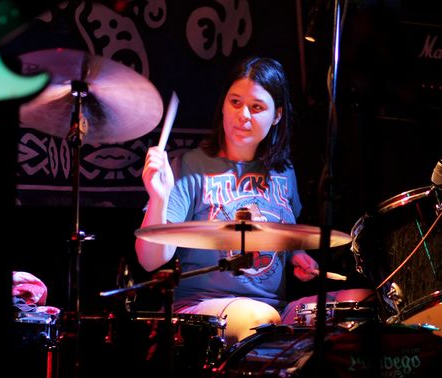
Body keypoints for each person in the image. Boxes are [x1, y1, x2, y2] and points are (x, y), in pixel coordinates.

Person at [135, 56, 320, 348]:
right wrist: (159, 197)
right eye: (235, 102)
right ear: (222, 104)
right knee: (257, 319)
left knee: (361, 304)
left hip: (272, 309)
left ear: (277, 115)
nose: (243, 115)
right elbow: (150, 260)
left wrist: (296, 256)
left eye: (256, 107)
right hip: (201, 309)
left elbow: (283, 235)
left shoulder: (284, 173)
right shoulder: (191, 166)